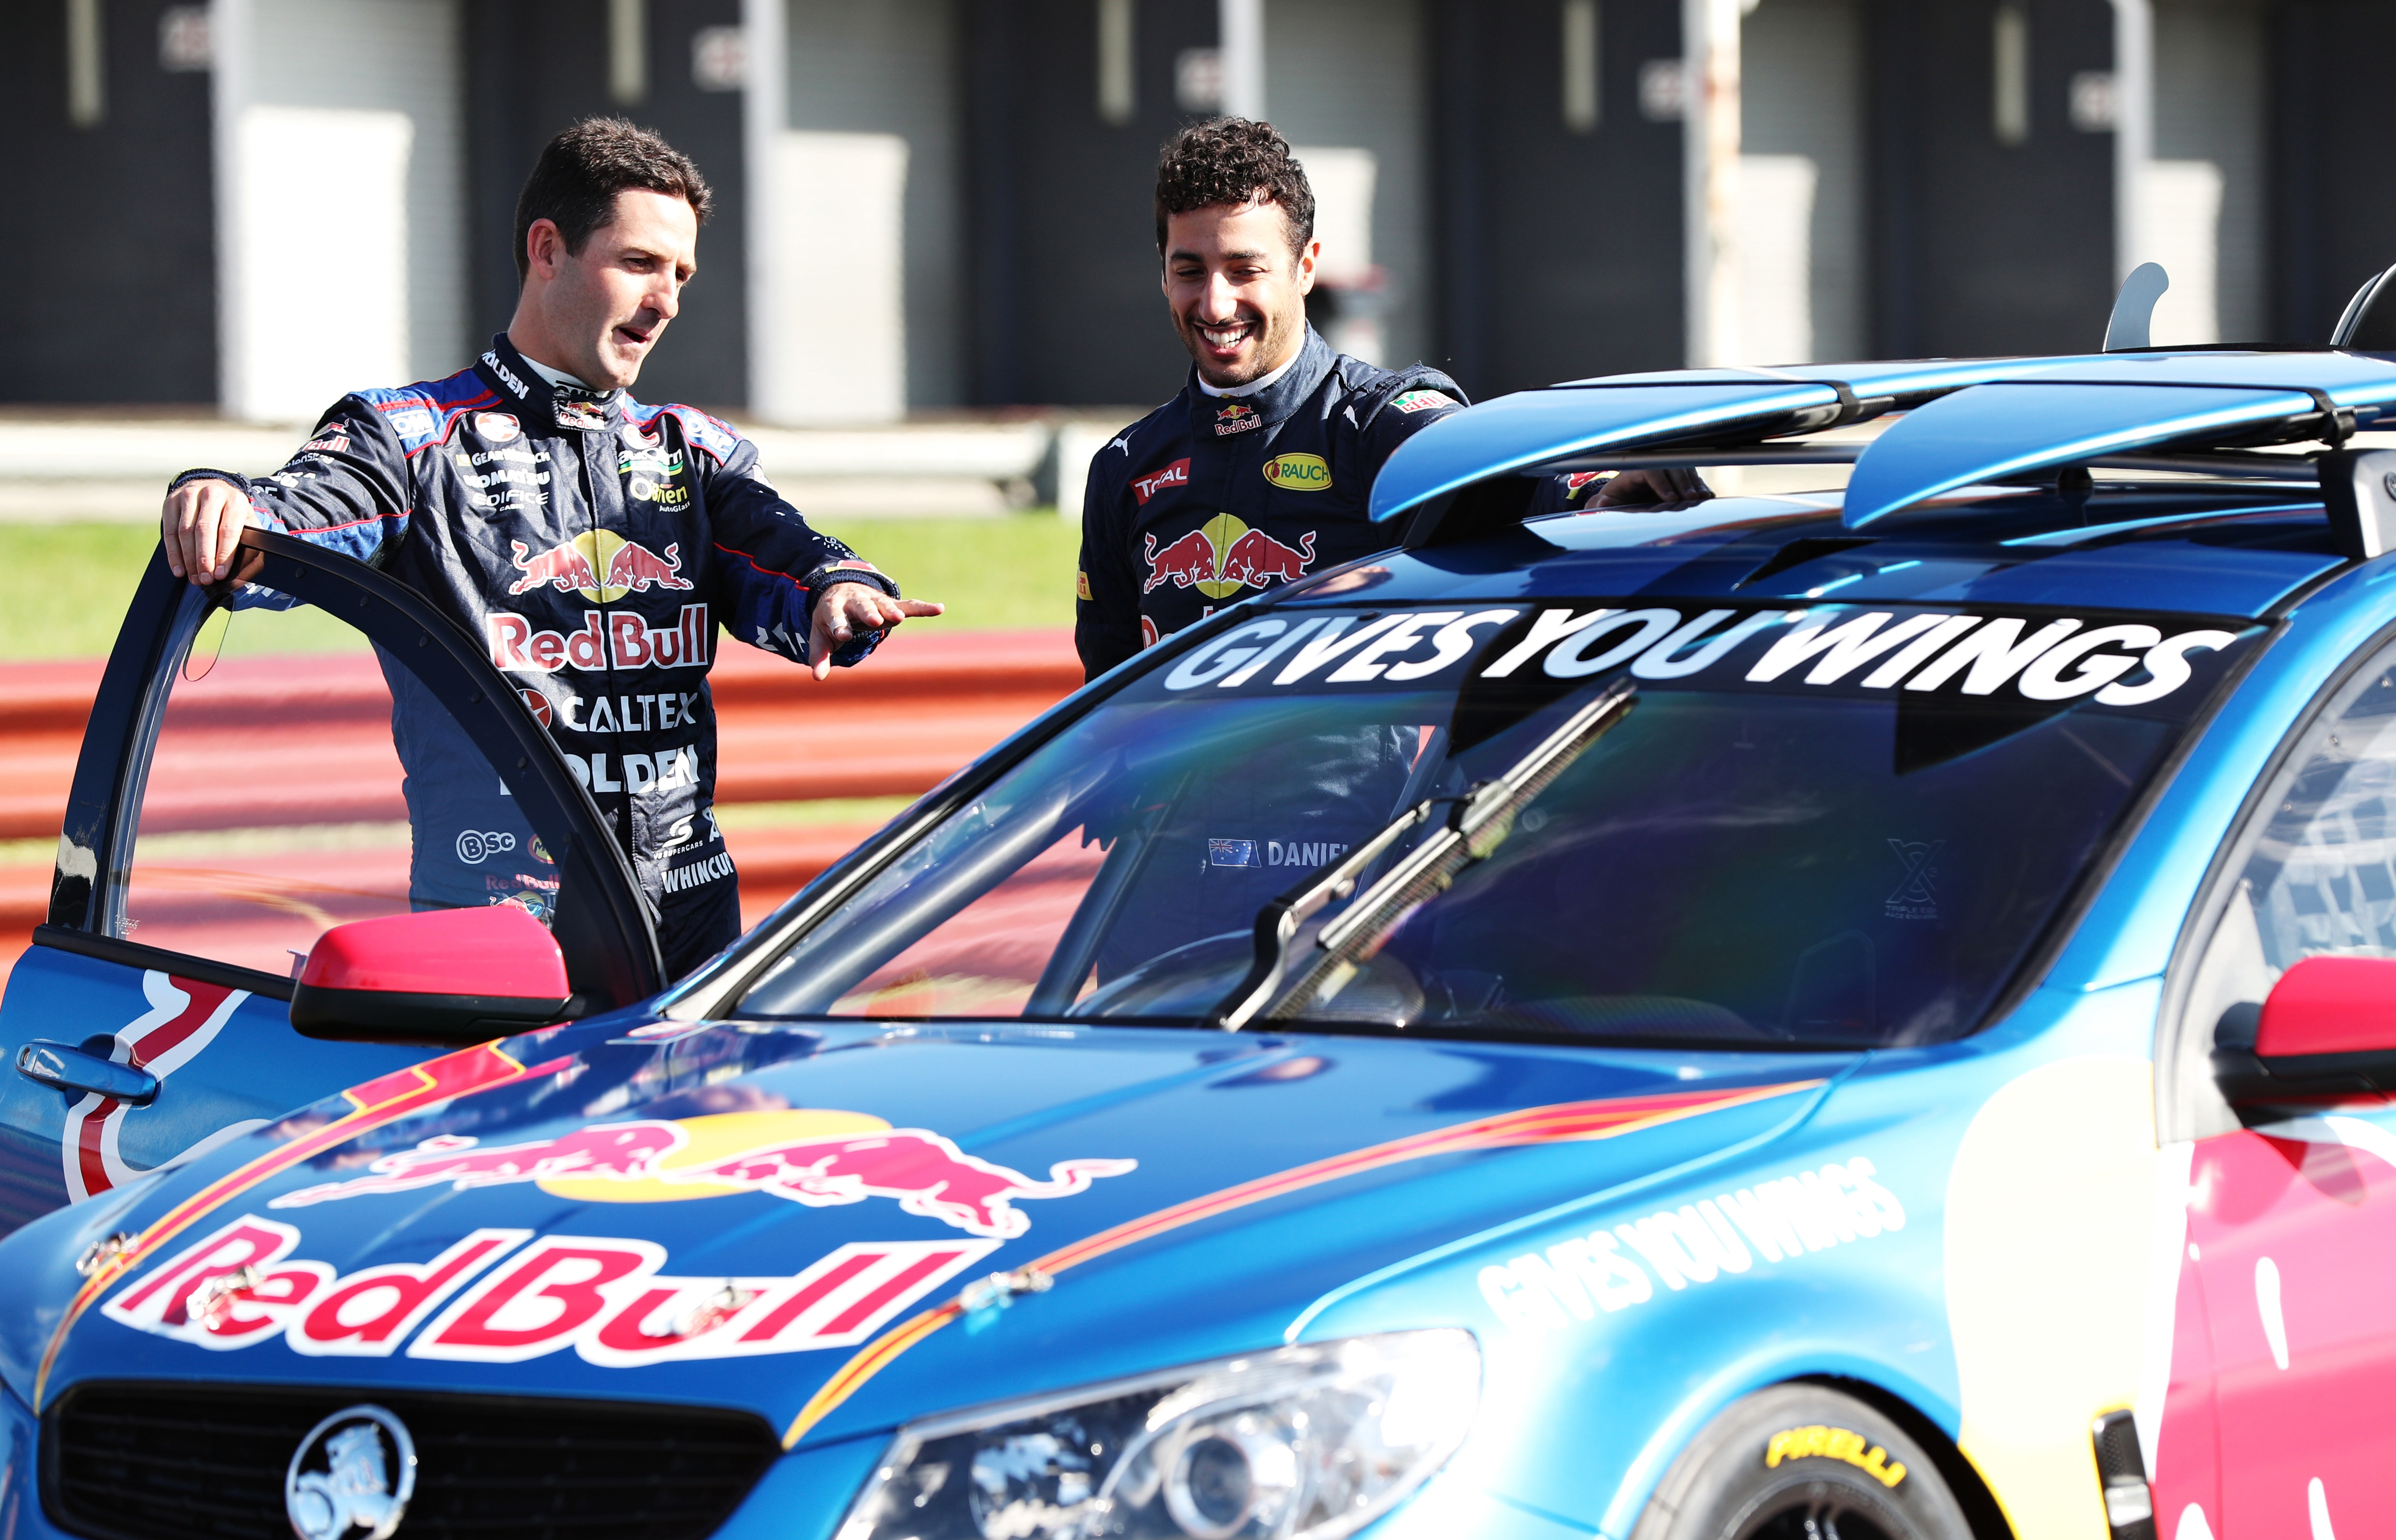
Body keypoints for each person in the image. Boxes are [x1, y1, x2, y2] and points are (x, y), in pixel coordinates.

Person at [161, 117, 937, 979]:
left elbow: (784, 552)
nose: (669, 300)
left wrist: (840, 587)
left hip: (687, 914)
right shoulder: (410, 437)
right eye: (640, 264)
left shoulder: (693, 450)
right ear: (547, 250)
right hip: (498, 922)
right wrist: (222, 496)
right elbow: (298, 519)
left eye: (681, 275)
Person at [1075, 117, 1700, 682]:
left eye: (1245, 270)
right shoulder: (1125, 467)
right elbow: (1102, 704)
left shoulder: (1379, 422)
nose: (1215, 304)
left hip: (1343, 811)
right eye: (1190, 271)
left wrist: (1603, 489)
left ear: (1305, 267)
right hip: (1175, 811)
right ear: (1162, 271)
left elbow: (1515, 480)